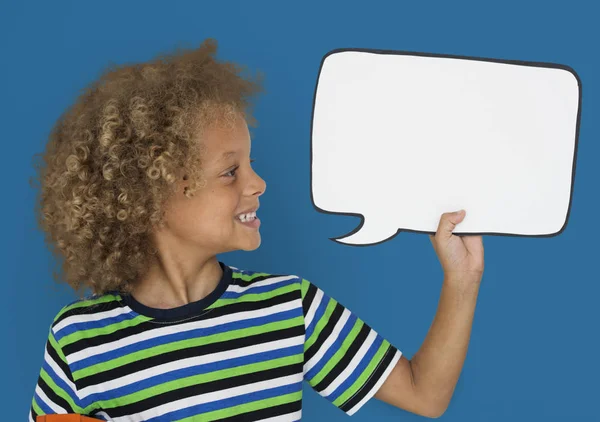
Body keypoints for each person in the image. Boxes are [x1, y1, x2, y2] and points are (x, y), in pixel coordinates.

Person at [29, 38, 484, 421]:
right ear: (156, 193)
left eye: (250, 164)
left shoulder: (290, 308)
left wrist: (462, 279)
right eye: (231, 172)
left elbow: (426, 394)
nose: (258, 183)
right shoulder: (80, 342)